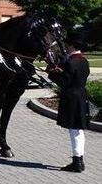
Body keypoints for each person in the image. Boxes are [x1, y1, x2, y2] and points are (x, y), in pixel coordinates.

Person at [46, 29, 90, 173]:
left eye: (67, 44)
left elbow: (64, 82)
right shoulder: (84, 61)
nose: (65, 46)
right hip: (80, 96)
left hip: (72, 98)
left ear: (71, 45)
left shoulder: (71, 62)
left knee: (75, 130)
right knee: (78, 130)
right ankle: (79, 160)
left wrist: (52, 73)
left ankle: (77, 162)